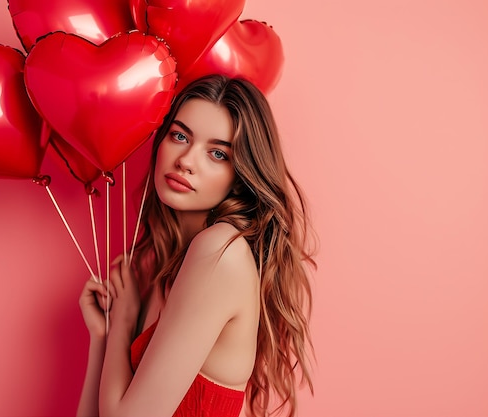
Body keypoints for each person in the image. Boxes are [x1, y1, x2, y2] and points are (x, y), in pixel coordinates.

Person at [77, 74, 316, 417]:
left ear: (242, 175)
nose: (186, 161)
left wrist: (124, 321)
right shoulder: (161, 267)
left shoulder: (220, 252)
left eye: (217, 153)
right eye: (179, 136)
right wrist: (102, 337)